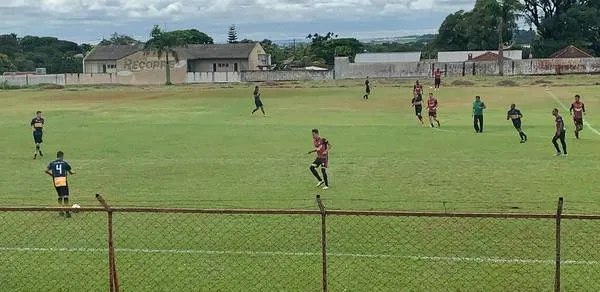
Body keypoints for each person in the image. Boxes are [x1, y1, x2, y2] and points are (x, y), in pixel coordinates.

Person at [45, 151, 75, 217]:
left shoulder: (52, 163)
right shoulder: (64, 163)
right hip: (63, 180)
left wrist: (52, 175)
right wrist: (73, 172)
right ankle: (67, 211)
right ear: (62, 156)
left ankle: (60, 211)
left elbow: (46, 170)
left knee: (60, 196)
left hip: (56, 180)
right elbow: (70, 171)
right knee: (66, 196)